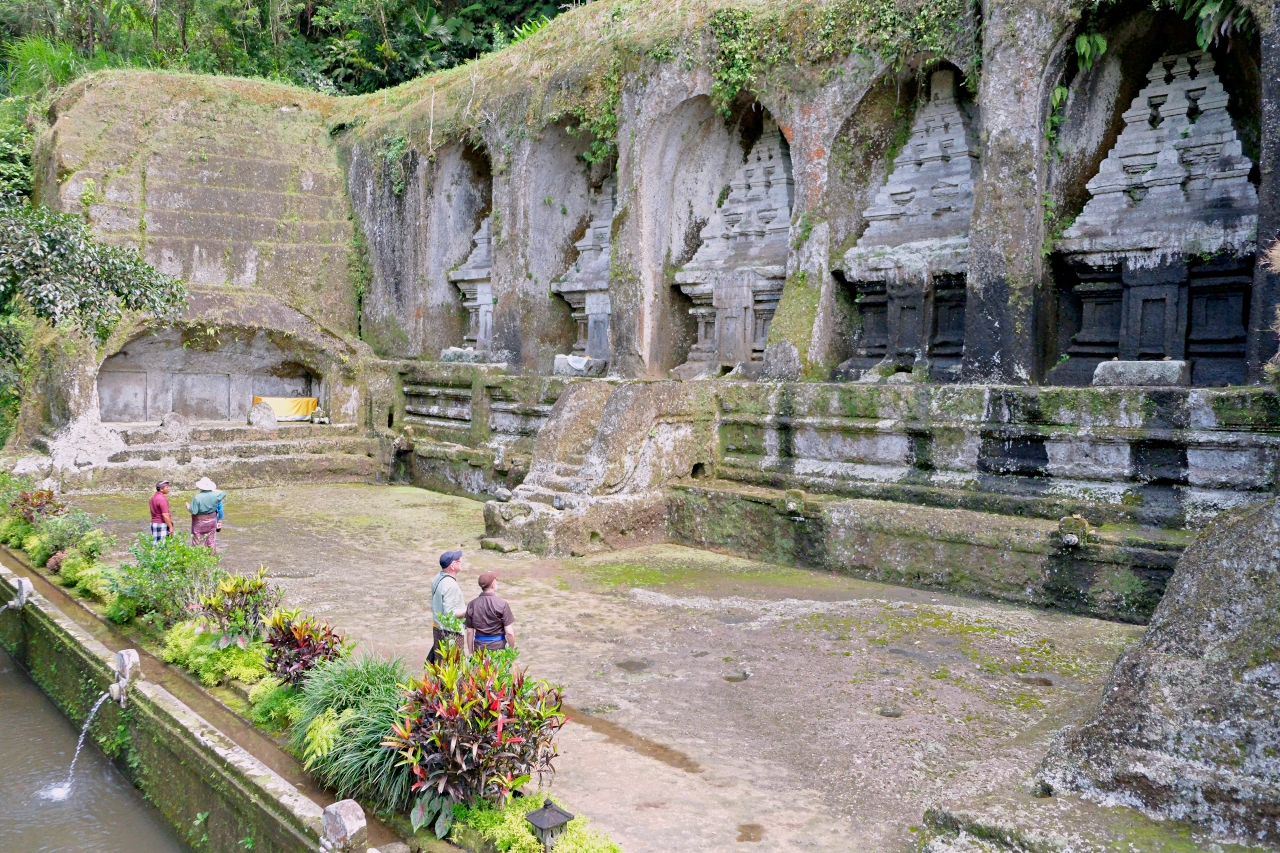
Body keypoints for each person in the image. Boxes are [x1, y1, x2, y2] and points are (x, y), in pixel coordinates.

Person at [428, 550, 467, 664]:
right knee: (454, 667)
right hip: (451, 632)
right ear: (452, 566)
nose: (461, 561)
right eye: (458, 560)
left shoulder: (437, 577)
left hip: (438, 628)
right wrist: (469, 610)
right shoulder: (451, 585)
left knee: (440, 664)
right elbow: (450, 613)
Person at [465, 570, 515, 654]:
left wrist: (470, 652)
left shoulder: (472, 604)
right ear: (493, 585)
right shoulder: (502, 604)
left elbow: (470, 632)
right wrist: (511, 650)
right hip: (498, 648)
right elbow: (509, 633)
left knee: (480, 667)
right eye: (495, 579)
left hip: (479, 648)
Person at [186, 477, 226, 552]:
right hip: (212, 521)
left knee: (197, 540)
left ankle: (198, 558)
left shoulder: (197, 497)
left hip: (199, 522)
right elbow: (223, 493)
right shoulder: (216, 496)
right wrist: (213, 490)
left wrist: (188, 507)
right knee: (211, 540)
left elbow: (194, 511)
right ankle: (211, 557)